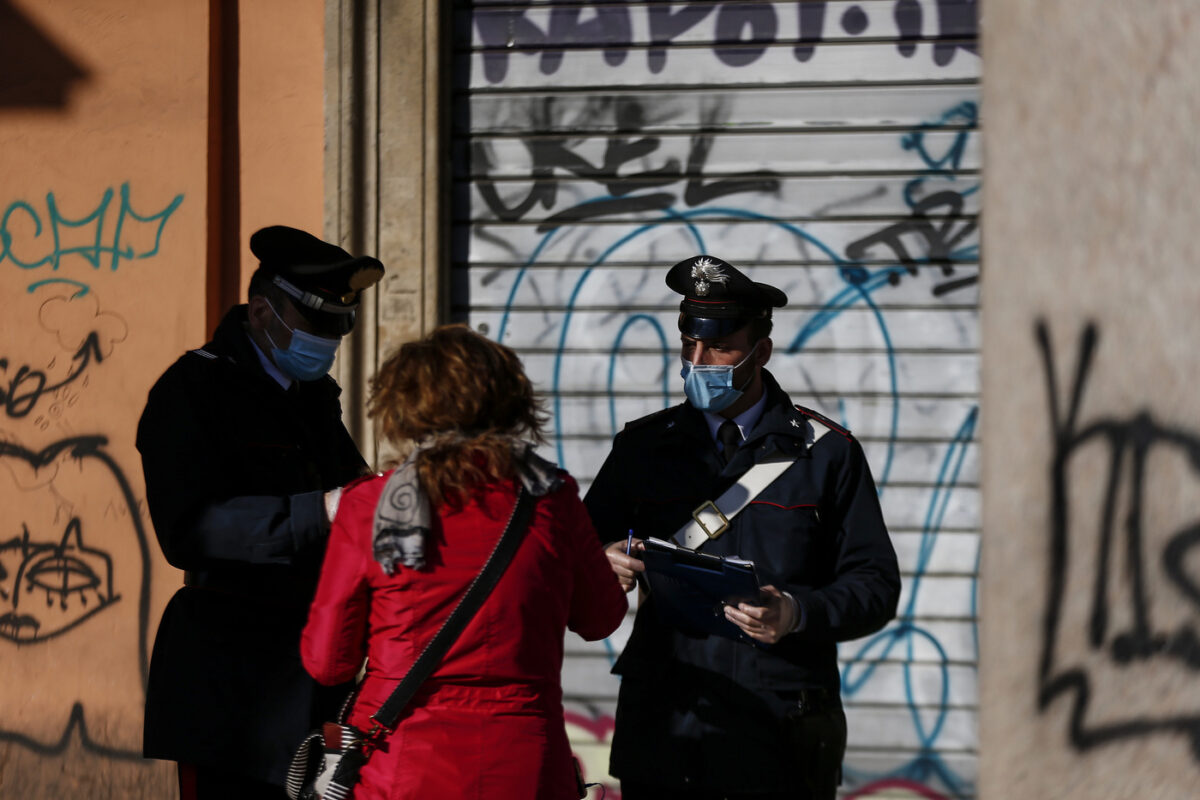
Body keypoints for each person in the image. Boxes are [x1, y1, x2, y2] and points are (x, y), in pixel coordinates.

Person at [585, 255, 901, 800]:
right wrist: (602, 562)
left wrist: (796, 612)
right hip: (667, 730)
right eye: (689, 344)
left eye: (719, 348)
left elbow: (875, 586)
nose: (698, 362)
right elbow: (574, 558)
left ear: (762, 352)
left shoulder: (827, 453)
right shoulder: (643, 447)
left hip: (780, 732)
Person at [300, 324, 628, 800]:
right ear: (511, 403)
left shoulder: (368, 505)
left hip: (400, 766)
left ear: (402, 406)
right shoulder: (551, 498)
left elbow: (329, 663)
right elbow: (602, 619)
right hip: (525, 766)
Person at [137, 225, 385, 798]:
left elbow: (352, 488)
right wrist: (321, 510)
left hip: (315, 676)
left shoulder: (313, 396)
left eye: (335, 329)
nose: (325, 342)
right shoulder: (192, 390)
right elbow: (187, 530)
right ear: (260, 312)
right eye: (313, 326)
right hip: (231, 690)